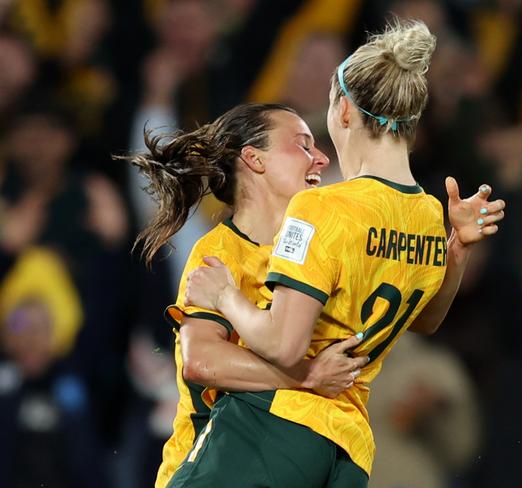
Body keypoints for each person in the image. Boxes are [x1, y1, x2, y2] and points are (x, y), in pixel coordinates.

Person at [172, 20, 506, 487]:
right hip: (348, 450)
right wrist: (459, 248)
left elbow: (284, 345)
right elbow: (427, 320)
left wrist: (228, 298)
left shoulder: (324, 209)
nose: (321, 158)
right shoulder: (428, 214)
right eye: (302, 144)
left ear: (344, 111)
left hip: (268, 433)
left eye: (319, 130)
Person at [125, 103, 368, 488]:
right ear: (254, 159)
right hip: (218, 458)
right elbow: (202, 361)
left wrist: (455, 251)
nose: (321, 158)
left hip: (312, 451)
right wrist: (306, 376)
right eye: (303, 146)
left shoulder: (319, 249)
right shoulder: (220, 254)